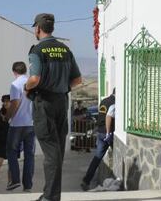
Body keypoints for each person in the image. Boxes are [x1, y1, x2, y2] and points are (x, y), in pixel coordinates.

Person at [25, 13, 82, 201]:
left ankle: (50, 197)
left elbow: (34, 79)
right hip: (61, 102)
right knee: (56, 151)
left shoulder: (37, 50)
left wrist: (27, 88)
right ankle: (52, 194)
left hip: (44, 104)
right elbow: (77, 80)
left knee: (50, 152)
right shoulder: (65, 50)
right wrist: (62, 87)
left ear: (38, 29)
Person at [6, 61, 35, 192]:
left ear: (14, 72)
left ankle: (15, 180)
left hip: (17, 124)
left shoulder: (15, 84)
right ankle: (28, 185)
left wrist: (7, 117)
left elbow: (15, 103)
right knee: (29, 155)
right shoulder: (33, 82)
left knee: (11, 151)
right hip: (31, 124)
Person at [81, 88, 115, 191]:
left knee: (97, 158)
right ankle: (116, 181)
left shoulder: (104, 101)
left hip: (100, 132)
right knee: (117, 156)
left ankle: (86, 181)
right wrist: (109, 132)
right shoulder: (114, 102)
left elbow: (101, 115)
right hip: (108, 133)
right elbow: (108, 117)